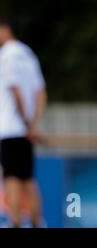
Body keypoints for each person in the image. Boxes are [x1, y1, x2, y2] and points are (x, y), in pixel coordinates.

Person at [0, 18, 47, 228]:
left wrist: (25, 123)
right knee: (27, 178)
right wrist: (33, 124)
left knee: (11, 178)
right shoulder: (28, 54)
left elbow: (14, 89)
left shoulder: (7, 55)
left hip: (11, 127)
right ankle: (37, 222)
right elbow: (40, 93)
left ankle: (15, 222)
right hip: (25, 129)